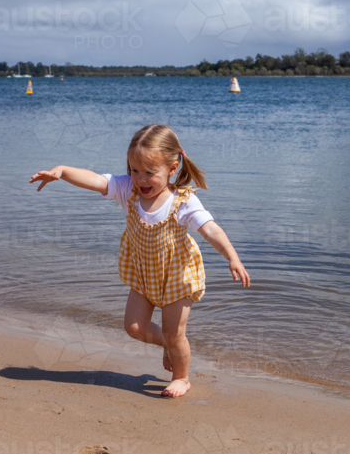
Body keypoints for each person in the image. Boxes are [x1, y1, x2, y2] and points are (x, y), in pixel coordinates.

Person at [29, 124, 250, 398]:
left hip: (177, 277)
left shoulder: (183, 202)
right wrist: (61, 171)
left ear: (172, 168)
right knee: (134, 328)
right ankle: (169, 345)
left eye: (149, 173)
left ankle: (181, 377)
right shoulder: (127, 190)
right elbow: (95, 179)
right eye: (134, 170)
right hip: (144, 275)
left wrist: (232, 256)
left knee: (174, 332)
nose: (141, 179)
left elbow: (210, 229)